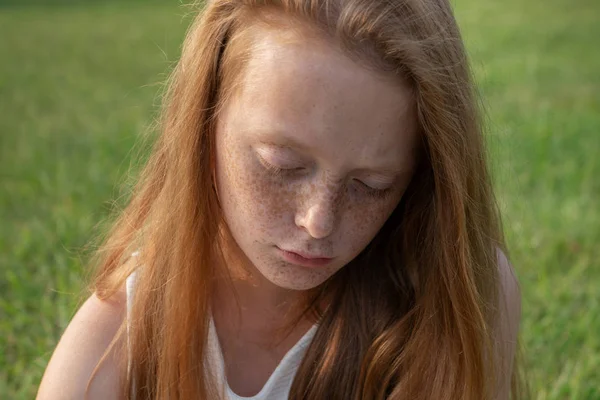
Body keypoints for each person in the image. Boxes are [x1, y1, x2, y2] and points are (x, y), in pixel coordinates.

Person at [36, 0, 522, 399]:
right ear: (203, 126)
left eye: (371, 185)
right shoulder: (114, 347)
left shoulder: (448, 302)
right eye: (281, 166)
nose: (319, 220)